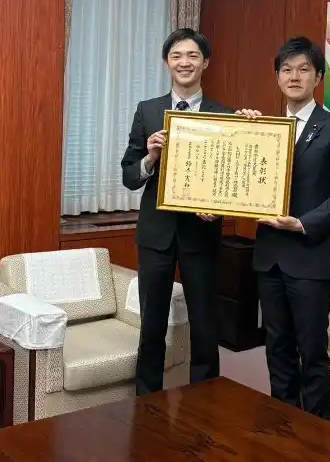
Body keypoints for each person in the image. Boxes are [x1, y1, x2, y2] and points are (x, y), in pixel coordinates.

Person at [241, 37, 330, 419]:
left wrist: (304, 223)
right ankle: (283, 422)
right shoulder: (266, 128)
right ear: (277, 77)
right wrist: (240, 131)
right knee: (276, 346)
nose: (294, 76)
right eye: (286, 69)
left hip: (310, 257)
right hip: (270, 257)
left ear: (318, 77)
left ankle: (316, 430)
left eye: (304, 69)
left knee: (311, 350)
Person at [121, 27, 233, 396]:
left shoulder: (224, 114)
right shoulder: (148, 110)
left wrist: (218, 209)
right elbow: (129, 176)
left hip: (202, 235)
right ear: (167, 62)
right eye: (177, 56)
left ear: (206, 63)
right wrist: (150, 157)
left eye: (193, 56)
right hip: (156, 234)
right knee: (152, 324)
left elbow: (231, 179)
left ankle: (205, 400)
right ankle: (147, 401)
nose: (184, 62)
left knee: (205, 324)